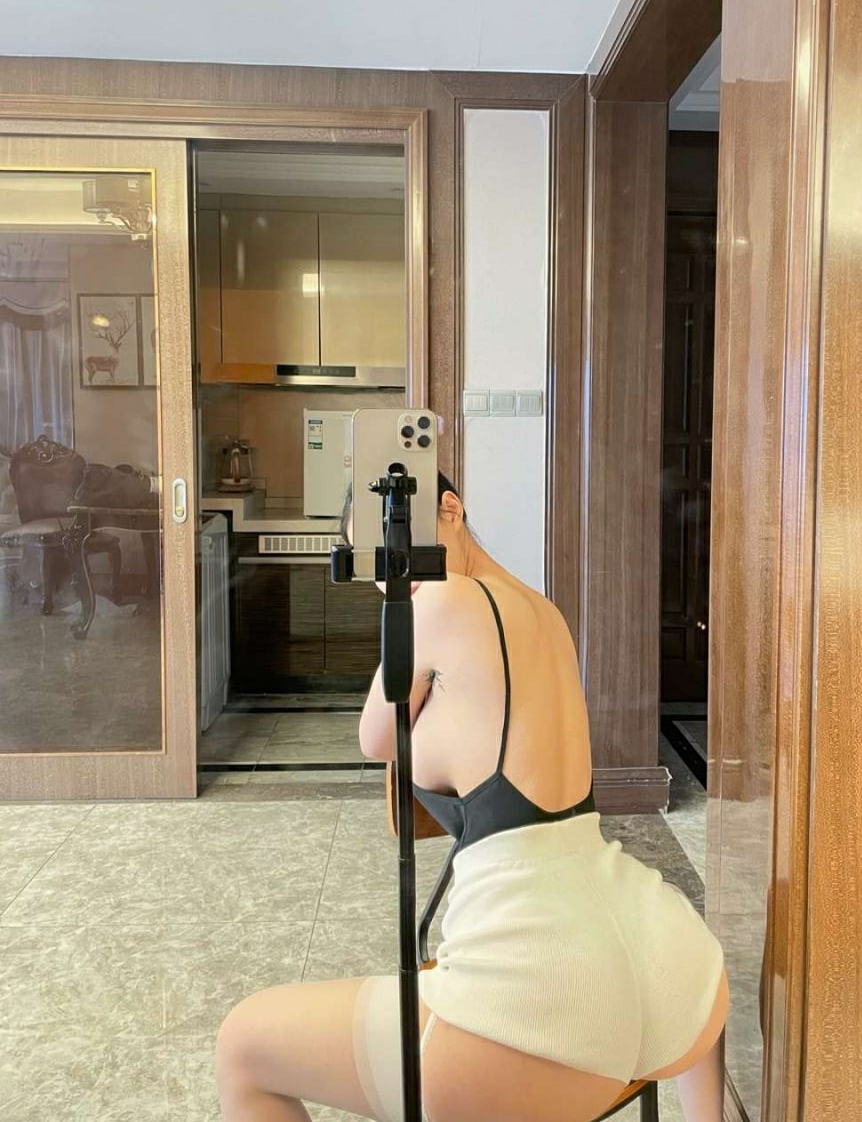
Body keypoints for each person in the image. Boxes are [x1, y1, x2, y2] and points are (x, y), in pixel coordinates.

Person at [217, 474, 729, 1122]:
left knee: (243, 1046)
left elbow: (375, 738)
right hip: (669, 969)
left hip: (543, 989)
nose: (390, 578)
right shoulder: (543, 610)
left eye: (392, 547)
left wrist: (407, 623)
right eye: (375, 565)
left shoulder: (439, 599)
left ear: (450, 510)